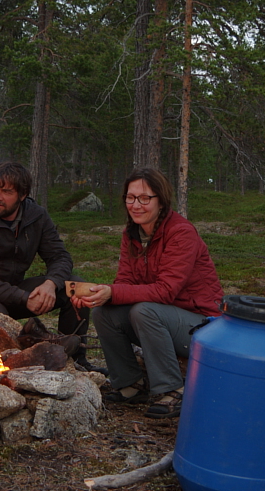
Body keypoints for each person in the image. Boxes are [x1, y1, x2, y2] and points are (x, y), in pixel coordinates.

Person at [72, 168, 223, 419]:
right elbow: (125, 281)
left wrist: (114, 292)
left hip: (202, 325)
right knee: (104, 312)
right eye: (130, 198)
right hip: (163, 321)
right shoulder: (132, 233)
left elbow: (166, 291)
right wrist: (100, 295)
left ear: (161, 200)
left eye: (144, 198)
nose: (136, 205)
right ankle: (130, 385)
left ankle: (173, 390)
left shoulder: (181, 233)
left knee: (145, 310)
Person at [0, 161, 97, 370]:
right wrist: (24, 298)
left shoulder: (36, 216)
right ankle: (29, 349)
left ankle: (76, 359)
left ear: (22, 195)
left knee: (77, 288)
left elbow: (60, 256)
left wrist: (50, 284)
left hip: (17, 292)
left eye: (6, 191)